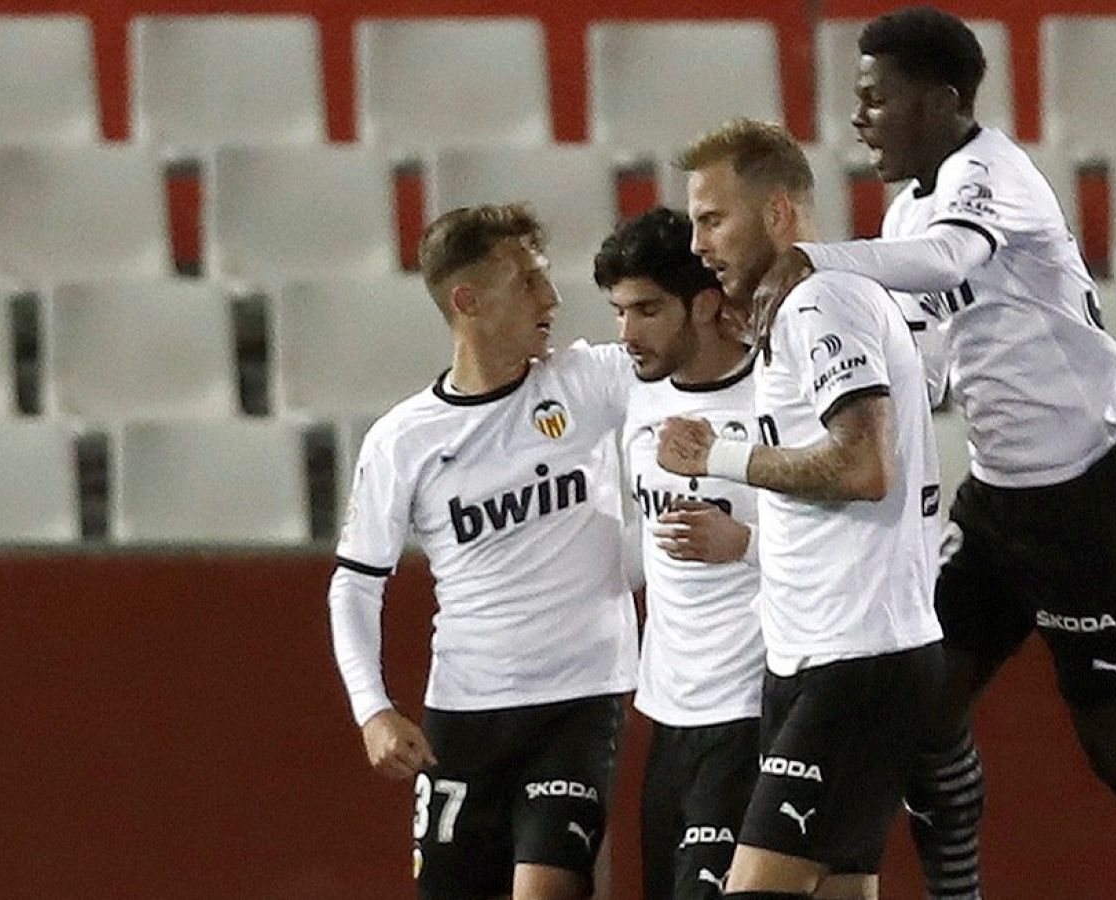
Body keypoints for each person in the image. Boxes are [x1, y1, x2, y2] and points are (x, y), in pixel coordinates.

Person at [756, 8, 1116, 900]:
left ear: (941, 101)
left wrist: (812, 259)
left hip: (1090, 493)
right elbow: (927, 363)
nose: (859, 118)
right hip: (999, 499)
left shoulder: (994, 175)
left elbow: (948, 260)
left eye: (876, 98)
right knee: (922, 710)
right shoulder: (908, 208)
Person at [658, 118, 944, 900]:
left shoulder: (824, 303)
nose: (697, 244)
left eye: (713, 220)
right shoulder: (795, 311)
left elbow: (865, 465)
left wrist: (718, 458)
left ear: (778, 213)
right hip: (818, 656)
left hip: (856, 660)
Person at [328, 203, 638, 900]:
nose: (551, 298)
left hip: (579, 703)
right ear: (467, 301)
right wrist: (372, 709)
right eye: (527, 281)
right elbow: (355, 583)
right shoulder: (403, 439)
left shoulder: (587, 382)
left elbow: (691, 367)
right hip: (465, 713)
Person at [595, 207, 764, 900]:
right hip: (668, 715)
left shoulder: (776, 395)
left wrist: (745, 544)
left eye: (647, 310)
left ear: (704, 304)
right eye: (618, 312)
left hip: (754, 707)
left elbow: (850, 540)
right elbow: (648, 546)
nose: (627, 334)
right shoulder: (638, 400)